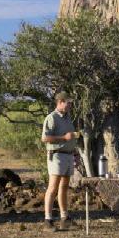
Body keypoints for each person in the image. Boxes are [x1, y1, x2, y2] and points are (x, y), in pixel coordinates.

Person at [41, 91, 79, 230]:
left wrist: (75, 154)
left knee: (64, 187)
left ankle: (65, 218)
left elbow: (71, 138)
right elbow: (45, 138)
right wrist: (63, 138)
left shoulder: (68, 118)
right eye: (68, 103)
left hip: (68, 155)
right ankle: (48, 220)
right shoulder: (51, 117)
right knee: (53, 187)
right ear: (60, 102)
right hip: (56, 155)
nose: (70, 106)